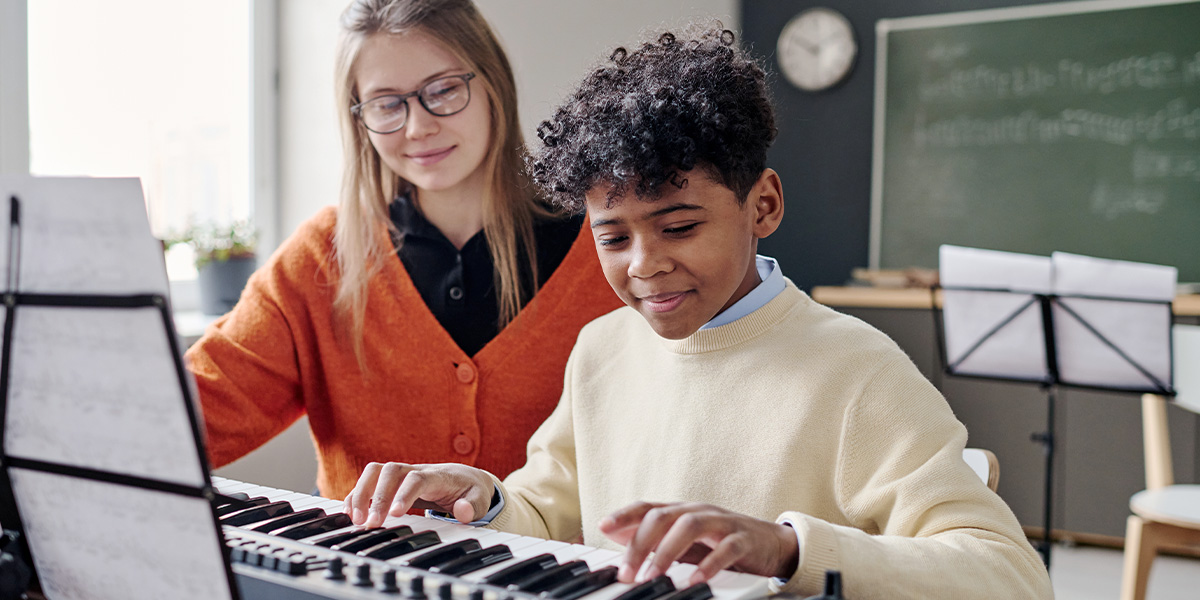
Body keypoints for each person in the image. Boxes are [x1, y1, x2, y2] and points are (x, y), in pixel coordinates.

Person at [343, 26, 1054, 599]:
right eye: (613, 238)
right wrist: (482, 499)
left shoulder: (857, 369)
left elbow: (1011, 576)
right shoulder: (603, 347)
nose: (644, 264)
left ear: (763, 206)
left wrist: (788, 549)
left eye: (679, 226)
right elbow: (549, 511)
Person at [185, 0, 621, 500]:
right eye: (387, 104)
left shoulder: (609, 243)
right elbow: (196, 411)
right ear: (359, 118)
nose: (418, 127)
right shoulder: (319, 259)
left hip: (564, 576)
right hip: (358, 575)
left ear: (493, 82)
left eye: (443, 90)